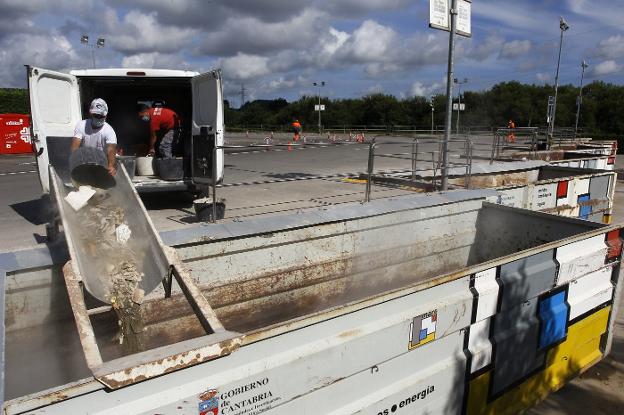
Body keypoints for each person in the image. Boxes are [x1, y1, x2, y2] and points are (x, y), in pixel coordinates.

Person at [70, 98, 117, 176]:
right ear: (90, 114)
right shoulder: (81, 125)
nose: (98, 118)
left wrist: (111, 166)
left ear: (106, 116)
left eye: (101, 116)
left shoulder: (109, 131)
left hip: (102, 162)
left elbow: (111, 150)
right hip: (84, 161)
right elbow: (74, 147)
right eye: (96, 115)